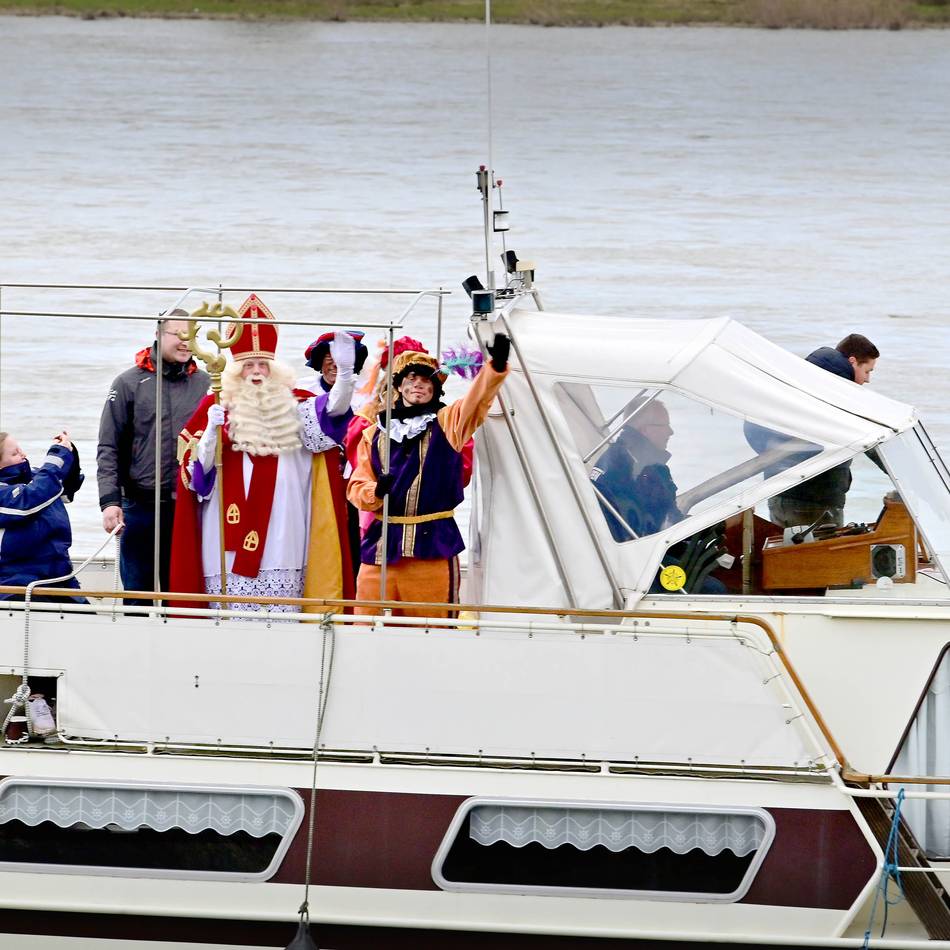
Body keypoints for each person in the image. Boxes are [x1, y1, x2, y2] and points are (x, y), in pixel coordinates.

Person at [170, 295, 355, 615]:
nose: (256, 372)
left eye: (263, 365)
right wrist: (212, 431)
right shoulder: (216, 405)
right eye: (248, 365)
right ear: (235, 370)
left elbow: (334, 414)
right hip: (225, 536)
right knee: (229, 615)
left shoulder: (296, 404)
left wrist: (346, 375)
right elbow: (198, 478)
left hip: (284, 531)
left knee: (282, 612)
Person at [347, 334, 510, 617]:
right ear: (399, 386)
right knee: (367, 623)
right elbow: (356, 487)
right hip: (382, 549)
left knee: (431, 628)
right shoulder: (373, 433)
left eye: (425, 380)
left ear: (435, 388)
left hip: (432, 547)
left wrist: (493, 367)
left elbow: (477, 401)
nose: (418, 385)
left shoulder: (448, 424)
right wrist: (376, 491)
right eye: (411, 379)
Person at [97, 309, 210, 600]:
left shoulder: (208, 384)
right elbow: (108, 446)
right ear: (158, 334)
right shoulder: (127, 383)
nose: (185, 342)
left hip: (190, 507)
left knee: (183, 595)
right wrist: (110, 502)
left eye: (191, 335)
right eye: (178, 334)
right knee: (137, 594)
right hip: (139, 506)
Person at [768, 333, 880, 528]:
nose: (868, 379)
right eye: (867, 371)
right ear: (852, 361)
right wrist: (905, 476)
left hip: (777, 493)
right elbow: (869, 438)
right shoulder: (838, 394)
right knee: (822, 549)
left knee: (784, 547)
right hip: (816, 501)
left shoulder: (803, 383)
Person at [0, 430, 85, 601]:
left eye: (20, 449)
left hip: (59, 578)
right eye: (15, 453)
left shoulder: (35, 480)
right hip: (16, 585)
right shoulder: (12, 492)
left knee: (89, 615)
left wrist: (68, 451)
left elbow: (66, 487)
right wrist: (58, 455)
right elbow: (28, 501)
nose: (23, 455)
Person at [590, 398, 681, 541]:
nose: (670, 432)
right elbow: (643, 529)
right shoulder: (625, 470)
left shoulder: (650, 465)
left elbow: (669, 515)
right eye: (665, 425)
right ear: (645, 429)